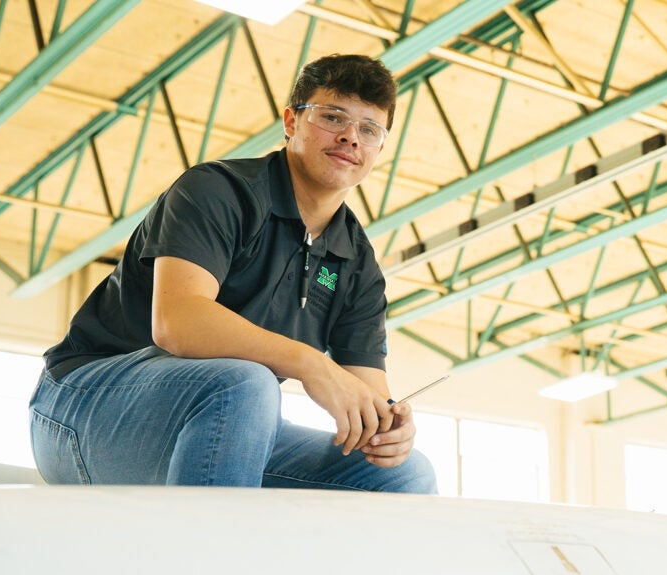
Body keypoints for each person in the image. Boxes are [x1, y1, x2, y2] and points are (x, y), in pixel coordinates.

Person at [28, 54, 435, 493]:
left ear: (379, 148)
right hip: (83, 410)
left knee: (404, 472)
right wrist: (310, 363)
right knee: (244, 382)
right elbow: (177, 322)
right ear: (291, 121)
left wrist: (388, 427)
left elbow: (366, 392)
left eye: (369, 129)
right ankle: (208, 558)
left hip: (230, 423)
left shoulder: (356, 262)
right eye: (332, 117)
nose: (349, 137)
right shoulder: (218, 191)